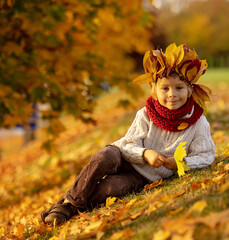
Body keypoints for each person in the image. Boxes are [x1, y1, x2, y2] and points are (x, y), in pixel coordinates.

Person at [41, 43, 216, 225]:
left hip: (143, 176)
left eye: (179, 88)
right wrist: (145, 153)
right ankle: (68, 202)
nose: (172, 94)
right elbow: (127, 144)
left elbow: (206, 155)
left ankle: (68, 208)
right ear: (154, 90)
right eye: (165, 88)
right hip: (124, 156)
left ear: (190, 90)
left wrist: (180, 162)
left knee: (111, 188)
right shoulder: (147, 114)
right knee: (104, 157)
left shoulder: (197, 122)